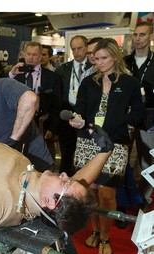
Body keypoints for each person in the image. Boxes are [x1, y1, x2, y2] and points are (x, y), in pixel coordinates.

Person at [71, 38, 145, 254]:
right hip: (88, 142)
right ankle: (94, 231)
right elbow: (80, 109)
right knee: (90, 190)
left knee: (107, 193)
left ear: (115, 57)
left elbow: (139, 113)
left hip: (115, 143)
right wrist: (77, 120)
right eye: (96, 58)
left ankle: (105, 236)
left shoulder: (130, 82)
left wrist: (121, 122)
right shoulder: (88, 82)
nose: (99, 62)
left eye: (103, 58)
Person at [9, 41, 61, 165]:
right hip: (19, 126)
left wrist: (52, 129)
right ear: (24, 55)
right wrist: (12, 75)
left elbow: (56, 104)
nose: (31, 58)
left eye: (34, 55)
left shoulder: (52, 77)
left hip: (43, 125)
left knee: (45, 163)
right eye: (28, 54)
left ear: (40, 56)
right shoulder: (16, 75)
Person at [124, 21, 154, 209]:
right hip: (125, 117)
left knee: (147, 162)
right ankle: (123, 201)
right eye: (135, 35)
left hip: (149, 119)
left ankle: (144, 199)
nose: (137, 38)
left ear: (150, 37)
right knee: (123, 161)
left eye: (142, 35)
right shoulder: (124, 62)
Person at [55, 35, 92, 176]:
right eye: (73, 49)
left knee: (85, 154)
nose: (77, 52)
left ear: (86, 48)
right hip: (67, 116)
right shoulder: (63, 69)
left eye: (80, 48)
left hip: (86, 116)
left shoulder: (94, 69)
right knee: (66, 154)